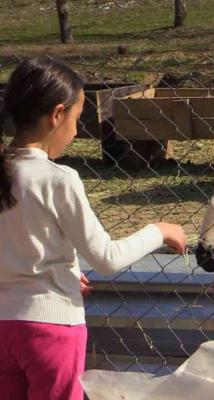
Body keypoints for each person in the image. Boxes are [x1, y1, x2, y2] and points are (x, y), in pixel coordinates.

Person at [0, 57, 187, 400]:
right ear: (57, 114)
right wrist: (159, 230)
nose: (75, 132)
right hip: (51, 329)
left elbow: (18, 246)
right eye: (76, 118)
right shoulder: (59, 180)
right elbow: (106, 258)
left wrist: (62, 270)